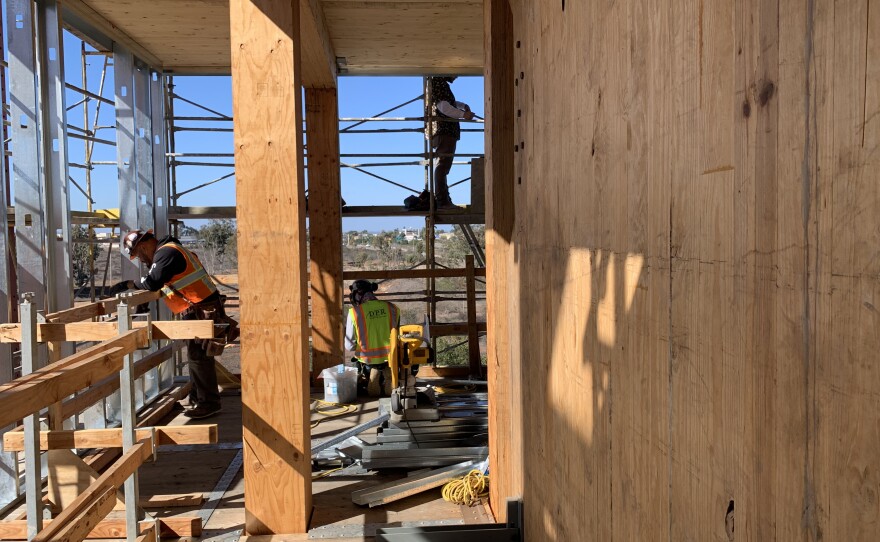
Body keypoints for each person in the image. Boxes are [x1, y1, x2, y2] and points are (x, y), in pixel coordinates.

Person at [108, 230, 238, 419]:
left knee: (199, 357)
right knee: (197, 356)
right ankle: (198, 399)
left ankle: (208, 403)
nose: (141, 260)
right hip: (199, 308)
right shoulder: (169, 252)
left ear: (143, 246)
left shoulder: (166, 253)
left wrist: (128, 285)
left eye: (139, 255)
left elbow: (152, 283)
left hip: (201, 310)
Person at [344, 280, 400, 397]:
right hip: (392, 359)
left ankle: (372, 380)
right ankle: (389, 380)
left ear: (358, 293)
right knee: (389, 373)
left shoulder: (354, 313)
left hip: (367, 362)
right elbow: (397, 335)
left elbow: (349, 346)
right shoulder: (392, 308)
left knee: (360, 367)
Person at [427, 76, 475, 209]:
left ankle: (443, 200)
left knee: (442, 166)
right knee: (443, 166)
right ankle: (443, 201)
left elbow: (448, 103)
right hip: (445, 131)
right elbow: (443, 106)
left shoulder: (439, 83)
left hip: (445, 132)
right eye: (455, 72)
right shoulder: (438, 82)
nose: (456, 76)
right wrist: (463, 114)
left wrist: (462, 106)